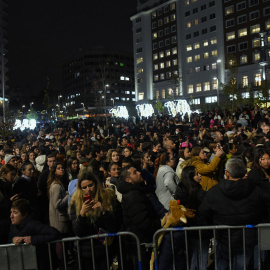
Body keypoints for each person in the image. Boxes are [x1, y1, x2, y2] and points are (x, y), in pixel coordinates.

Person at [198, 158, 270, 270]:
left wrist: (211, 231)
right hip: (245, 239)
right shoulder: (256, 190)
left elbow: (203, 215)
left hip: (225, 239)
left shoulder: (214, 192)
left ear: (227, 173)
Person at [69, 171, 121, 270]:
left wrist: (103, 211)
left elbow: (114, 226)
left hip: (104, 249)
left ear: (96, 184)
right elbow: (78, 232)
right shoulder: (76, 202)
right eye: (84, 187)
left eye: (90, 185)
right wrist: (82, 214)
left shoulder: (107, 197)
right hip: (85, 251)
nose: (88, 190)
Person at [117, 165, 161, 270]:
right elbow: (143, 222)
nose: (139, 173)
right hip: (141, 244)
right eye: (134, 172)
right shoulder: (133, 195)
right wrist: (159, 224)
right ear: (128, 180)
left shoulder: (137, 191)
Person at [8, 199, 60, 270]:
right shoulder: (13, 226)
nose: (11, 216)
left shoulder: (33, 224)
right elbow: (9, 239)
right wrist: (12, 240)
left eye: (15, 213)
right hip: (22, 264)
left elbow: (54, 233)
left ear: (24, 214)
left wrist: (33, 239)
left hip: (39, 264)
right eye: (11, 212)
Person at [47, 162, 70, 236]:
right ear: (55, 172)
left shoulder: (59, 183)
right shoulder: (56, 186)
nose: (62, 170)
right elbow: (58, 204)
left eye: (62, 168)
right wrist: (68, 195)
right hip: (59, 221)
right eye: (59, 168)